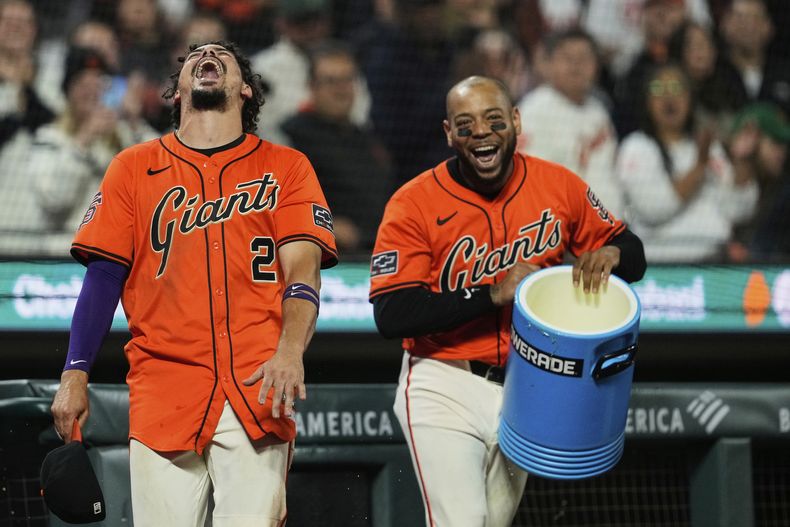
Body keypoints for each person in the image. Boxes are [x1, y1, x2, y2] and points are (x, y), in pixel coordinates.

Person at [50, 40, 338, 526]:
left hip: (257, 387)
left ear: (245, 88)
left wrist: (290, 351)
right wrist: (74, 372)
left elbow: (303, 271)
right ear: (177, 88)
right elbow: (102, 280)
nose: (209, 55)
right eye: (196, 56)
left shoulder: (288, 167)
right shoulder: (133, 168)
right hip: (165, 389)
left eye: (224, 56)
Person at [369, 75, 646, 527]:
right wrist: (490, 294)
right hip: (443, 379)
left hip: (529, 386)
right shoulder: (413, 202)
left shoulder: (558, 185)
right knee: (463, 520)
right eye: (466, 124)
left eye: (493, 119)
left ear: (516, 121)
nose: (481, 132)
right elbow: (392, 313)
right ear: (448, 134)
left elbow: (632, 252)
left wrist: (612, 252)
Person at [616, 63, 758, 263]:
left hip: (716, 264)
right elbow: (653, 209)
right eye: (658, 89)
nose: (669, 97)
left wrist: (742, 161)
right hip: (661, 270)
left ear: (690, 98)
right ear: (646, 101)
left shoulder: (708, 146)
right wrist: (699, 168)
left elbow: (738, 210)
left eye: (676, 88)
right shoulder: (636, 147)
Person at [281, 42, 393, 254]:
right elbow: (278, 202)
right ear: (312, 86)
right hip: (327, 255)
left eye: (347, 80)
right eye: (331, 81)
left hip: (375, 250)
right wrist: (327, 224)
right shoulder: (291, 136)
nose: (341, 90)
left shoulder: (365, 137)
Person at [517, 29, 624, 217]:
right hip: (560, 230)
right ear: (548, 65)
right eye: (567, 57)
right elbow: (529, 182)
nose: (576, 65)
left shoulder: (599, 109)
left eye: (584, 58)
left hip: (605, 230)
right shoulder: (533, 111)